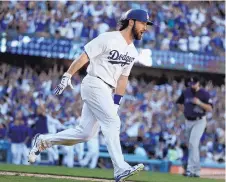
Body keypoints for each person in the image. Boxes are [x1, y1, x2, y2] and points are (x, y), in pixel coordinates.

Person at [28, 9, 153, 182]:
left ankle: (43, 141)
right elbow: (84, 57)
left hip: (106, 89)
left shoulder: (132, 51)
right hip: (94, 82)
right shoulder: (108, 38)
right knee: (112, 122)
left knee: (85, 133)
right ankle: (120, 168)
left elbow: (123, 79)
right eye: (143, 23)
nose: (145, 28)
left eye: (146, 24)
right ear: (131, 22)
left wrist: (116, 103)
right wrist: (68, 75)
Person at [176, 77, 213, 177]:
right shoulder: (186, 92)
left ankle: (191, 169)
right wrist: (184, 110)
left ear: (198, 83)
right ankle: (195, 171)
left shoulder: (204, 93)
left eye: (194, 83)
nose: (192, 85)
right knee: (192, 146)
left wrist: (199, 103)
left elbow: (210, 108)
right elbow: (179, 102)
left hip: (199, 121)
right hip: (188, 121)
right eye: (191, 83)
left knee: (193, 143)